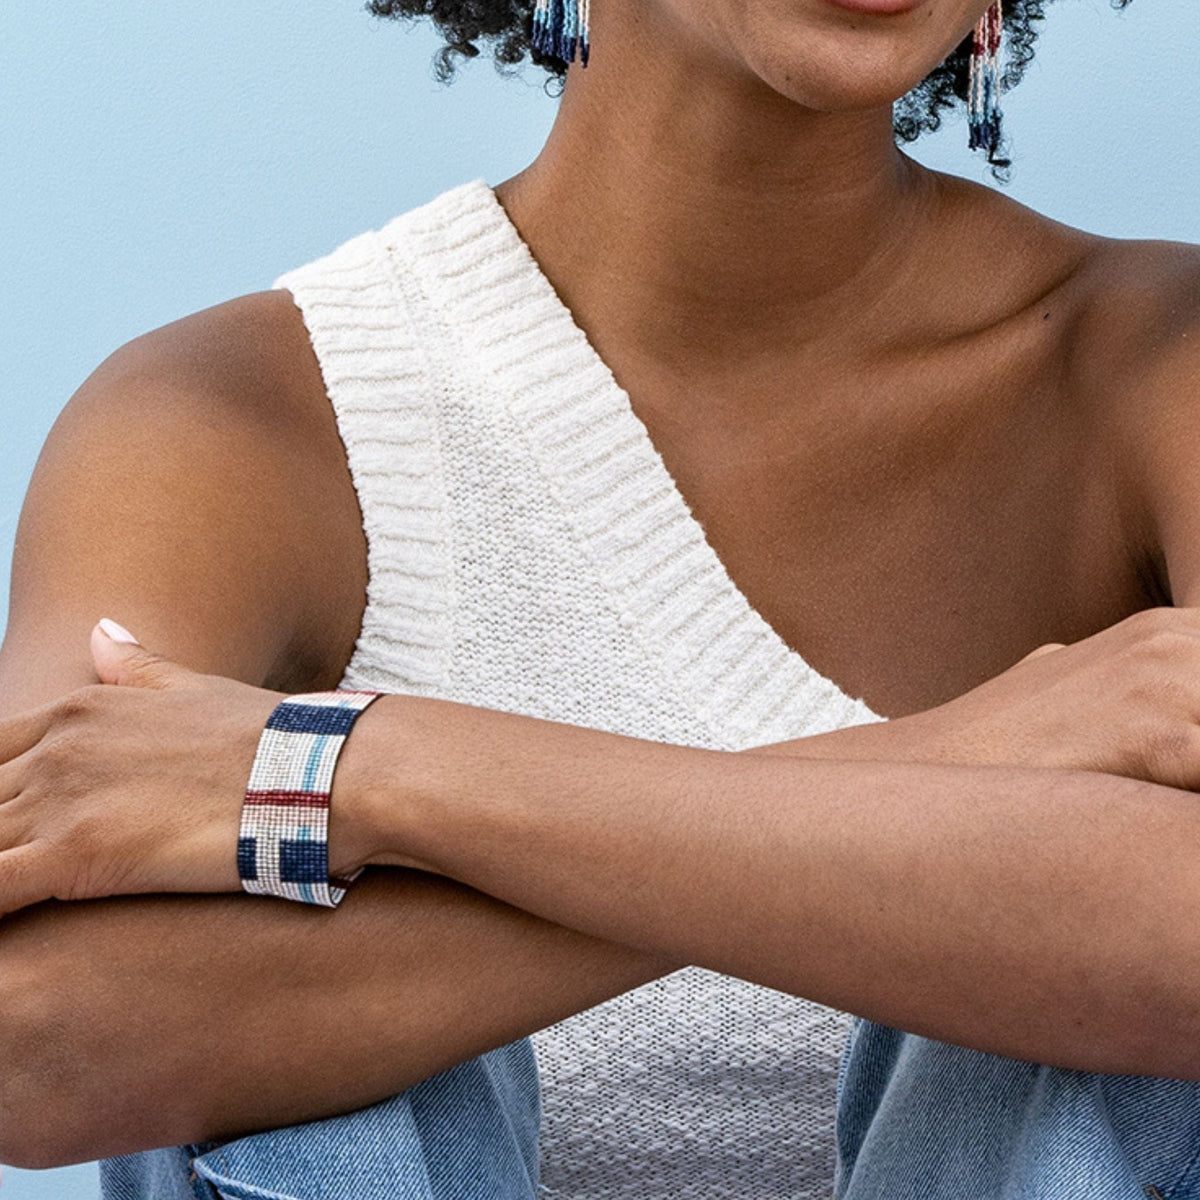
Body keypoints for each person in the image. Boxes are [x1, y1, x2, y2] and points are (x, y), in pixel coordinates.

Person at [0, 0, 1198, 1197]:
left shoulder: (1157, 369)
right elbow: (28, 1037)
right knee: (296, 1051)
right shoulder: (240, 423)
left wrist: (386, 780)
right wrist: (971, 760)